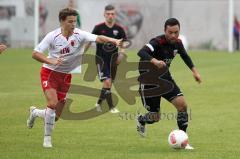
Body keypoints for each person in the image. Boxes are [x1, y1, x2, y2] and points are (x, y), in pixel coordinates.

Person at [27, 8, 122, 148]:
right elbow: (35, 53)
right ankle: (47, 139)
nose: (73, 24)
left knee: (56, 116)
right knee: (52, 104)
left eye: (75, 21)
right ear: (62, 22)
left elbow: (98, 38)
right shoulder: (52, 36)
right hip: (49, 73)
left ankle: (35, 112)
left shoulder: (79, 34)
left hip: (65, 76)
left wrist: (113, 40)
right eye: (70, 22)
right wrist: (51, 61)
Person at [136, 18, 201, 150]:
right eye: (170, 32)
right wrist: (154, 61)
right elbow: (141, 52)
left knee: (182, 105)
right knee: (155, 117)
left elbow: (185, 56)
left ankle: (184, 141)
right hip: (149, 82)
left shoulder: (178, 43)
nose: (173, 35)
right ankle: (141, 120)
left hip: (165, 79)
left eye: (176, 32)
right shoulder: (157, 42)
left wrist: (195, 72)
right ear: (165, 31)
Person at [85, 5, 127, 113]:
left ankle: (98, 103)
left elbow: (123, 43)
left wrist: (121, 54)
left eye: (112, 14)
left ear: (115, 15)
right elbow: (89, 40)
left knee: (108, 84)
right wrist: (81, 53)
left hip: (113, 60)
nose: (110, 16)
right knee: (107, 82)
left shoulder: (119, 29)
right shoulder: (98, 27)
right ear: (104, 15)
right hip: (101, 59)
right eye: (108, 14)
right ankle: (111, 107)